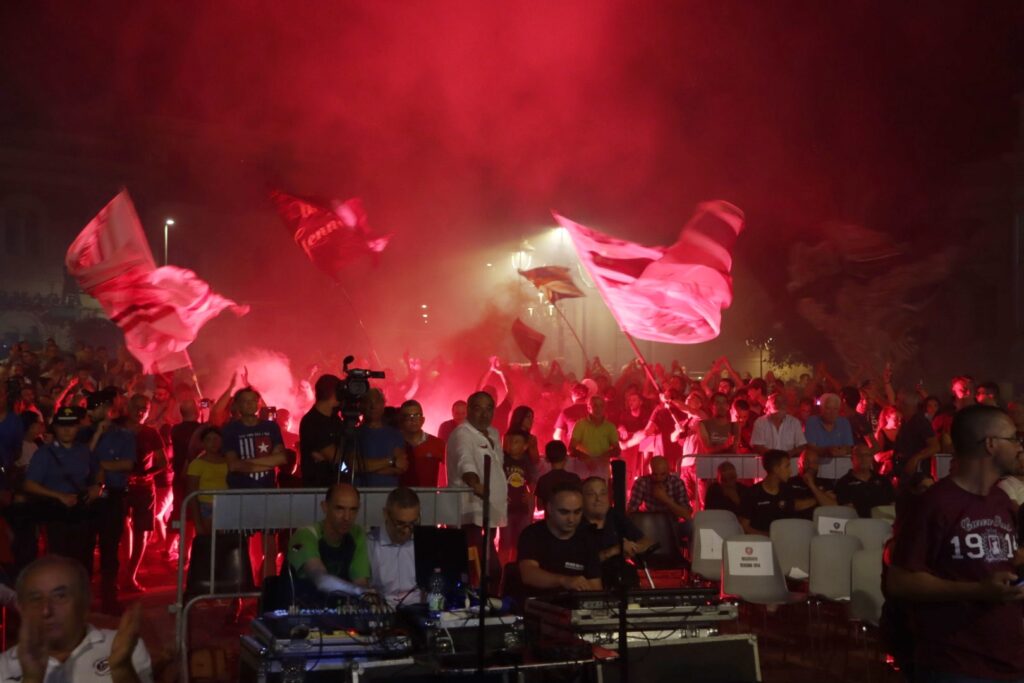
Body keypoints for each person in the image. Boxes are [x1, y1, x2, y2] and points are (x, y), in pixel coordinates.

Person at [887, 404, 1024, 683]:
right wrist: (977, 590)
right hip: (955, 662)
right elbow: (900, 581)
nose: (1020, 446)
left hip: (1008, 659)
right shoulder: (935, 504)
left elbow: (999, 560)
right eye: (1013, 438)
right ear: (990, 444)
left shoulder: (1001, 502)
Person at [0, 555, 152, 683]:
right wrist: (32, 679)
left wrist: (122, 670)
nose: (46, 610)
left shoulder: (121, 646)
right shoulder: (4, 666)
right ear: (20, 607)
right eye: (35, 599)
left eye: (60, 596)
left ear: (85, 600)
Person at [79, 389, 136, 614]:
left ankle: (109, 598)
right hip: (87, 497)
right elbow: (79, 462)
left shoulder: (124, 435)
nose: (97, 412)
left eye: (101, 407)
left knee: (109, 548)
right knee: (83, 548)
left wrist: (100, 466)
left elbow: (127, 464)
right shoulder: (83, 433)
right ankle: (83, 598)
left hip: (112, 494)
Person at [23, 407, 100, 572]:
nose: (66, 430)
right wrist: (59, 495)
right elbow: (29, 484)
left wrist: (98, 486)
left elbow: (97, 471)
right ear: (55, 428)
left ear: (77, 427)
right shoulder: (45, 453)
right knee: (60, 562)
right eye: (62, 426)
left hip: (81, 510)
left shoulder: (83, 450)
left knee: (83, 560)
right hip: (56, 513)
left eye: (71, 426)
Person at [448, 391, 507, 590]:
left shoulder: (494, 433)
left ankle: (489, 597)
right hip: (469, 509)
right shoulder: (462, 433)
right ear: (469, 410)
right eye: (478, 408)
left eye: (489, 409)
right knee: (474, 562)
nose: (484, 414)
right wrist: (475, 484)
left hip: (490, 507)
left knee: (489, 559)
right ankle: (472, 598)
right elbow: (465, 462)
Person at [517, 483, 602, 597]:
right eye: (564, 512)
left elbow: (596, 587)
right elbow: (529, 574)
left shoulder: (587, 538)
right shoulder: (533, 534)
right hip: (539, 605)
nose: (571, 519)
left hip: (575, 608)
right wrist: (564, 580)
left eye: (577, 512)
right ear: (549, 509)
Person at [119, 394, 168, 592]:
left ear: (148, 412)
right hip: (120, 486)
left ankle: (131, 575)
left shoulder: (151, 433)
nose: (140, 412)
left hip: (145, 487)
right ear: (128, 407)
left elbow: (163, 462)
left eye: (144, 409)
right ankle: (123, 572)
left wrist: (147, 475)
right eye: (137, 407)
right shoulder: (117, 429)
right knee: (122, 527)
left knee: (143, 532)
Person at [287, 483, 370, 598]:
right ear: (325, 507)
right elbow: (321, 580)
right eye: (339, 509)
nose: (347, 517)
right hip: (299, 607)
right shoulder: (305, 535)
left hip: (340, 610)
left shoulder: (356, 534)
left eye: (353, 510)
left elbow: (360, 581)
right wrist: (359, 591)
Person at [580, 477, 651, 584]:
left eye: (603, 493)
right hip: (587, 578)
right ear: (581, 499)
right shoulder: (575, 522)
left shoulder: (615, 516)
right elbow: (580, 563)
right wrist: (615, 550)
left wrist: (633, 548)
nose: (598, 499)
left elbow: (646, 541)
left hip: (619, 575)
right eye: (591, 494)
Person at [737, 449, 822, 535]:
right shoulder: (751, 494)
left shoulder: (787, 490)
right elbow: (744, 526)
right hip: (759, 543)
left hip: (785, 542)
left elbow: (796, 504)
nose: (790, 471)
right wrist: (768, 537)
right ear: (776, 469)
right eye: (787, 466)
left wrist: (818, 498)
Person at [367, 487, 420, 605]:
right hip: (382, 610)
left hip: (417, 610)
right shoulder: (369, 544)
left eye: (412, 523)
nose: (406, 530)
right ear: (386, 514)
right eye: (400, 523)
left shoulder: (422, 542)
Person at [353, 388, 407, 488]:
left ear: (383, 405)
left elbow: (401, 466)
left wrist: (368, 468)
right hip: (360, 494)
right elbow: (354, 466)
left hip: (388, 494)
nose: (373, 406)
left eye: (377, 402)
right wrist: (391, 461)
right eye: (368, 402)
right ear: (361, 406)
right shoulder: (353, 434)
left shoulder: (395, 434)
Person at [298, 374, 344, 488]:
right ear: (334, 394)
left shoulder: (335, 420)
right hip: (317, 489)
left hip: (337, 485)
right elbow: (336, 457)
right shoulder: (312, 421)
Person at [626, 456, 693, 531]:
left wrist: (666, 499)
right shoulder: (642, 482)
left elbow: (687, 515)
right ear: (650, 471)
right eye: (655, 474)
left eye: (663, 474)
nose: (658, 478)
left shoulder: (676, 482)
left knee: (691, 525)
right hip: (649, 524)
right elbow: (631, 510)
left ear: (668, 472)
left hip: (671, 524)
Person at [185, 426, 229, 536]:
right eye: (208, 439)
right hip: (207, 507)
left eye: (216, 439)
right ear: (203, 443)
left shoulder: (229, 461)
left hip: (227, 506)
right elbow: (192, 492)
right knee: (210, 541)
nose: (213, 443)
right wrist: (197, 522)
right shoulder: (197, 464)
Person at [499, 430, 535, 564]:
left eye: (516, 442)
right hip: (506, 509)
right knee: (505, 542)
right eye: (510, 442)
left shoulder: (526, 463)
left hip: (522, 508)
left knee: (519, 543)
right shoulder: (503, 460)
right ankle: (503, 569)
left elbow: (532, 481)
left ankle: (514, 570)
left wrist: (531, 494)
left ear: (524, 447)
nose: (511, 445)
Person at [834, 444, 895, 518]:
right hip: (858, 525)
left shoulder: (884, 481)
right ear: (852, 458)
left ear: (871, 458)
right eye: (859, 455)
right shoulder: (843, 483)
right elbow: (846, 509)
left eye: (867, 455)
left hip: (883, 523)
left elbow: (893, 504)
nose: (864, 458)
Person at [569, 395, 620, 478]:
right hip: (582, 470)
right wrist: (586, 459)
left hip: (602, 471)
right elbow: (571, 449)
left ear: (604, 408)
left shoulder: (610, 427)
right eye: (595, 405)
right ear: (588, 408)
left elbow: (617, 450)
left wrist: (604, 456)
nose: (598, 409)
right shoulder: (580, 425)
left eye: (601, 406)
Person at [892, 392, 939, 483]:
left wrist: (915, 459)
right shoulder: (904, 421)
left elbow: (935, 446)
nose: (896, 403)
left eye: (897, 400)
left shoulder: (920, 422)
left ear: (905, 404)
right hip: (905, 473)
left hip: (918, 476)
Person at [398, 400, 445, 487]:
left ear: (423, 420)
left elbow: (451, 470)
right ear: (401, 420)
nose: (412, 420)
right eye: (408, 416)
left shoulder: (437, 443)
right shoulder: (393, 443)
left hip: (429, 497)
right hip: (400, 497)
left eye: (417, 416)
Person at [785, 448, 837, 519]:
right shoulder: (789, 482)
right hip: (797, 524)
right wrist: (818, 499)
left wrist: (812, 486)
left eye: (815, 462)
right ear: (799, 463)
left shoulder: (826, 483)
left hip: (821, 524)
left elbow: (833, 506)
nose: (811, 466)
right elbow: (792, 506)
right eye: (807, 462)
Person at [749, 393, 806, 457]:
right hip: (767, 463)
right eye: (776, 402)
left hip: (789, 463)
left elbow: (802, 445)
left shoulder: (794, 422)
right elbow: (757, 445)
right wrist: (774, 457)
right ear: (768, 406)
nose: (780, 405)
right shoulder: (760, 422)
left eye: (783, 402)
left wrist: (788, 454)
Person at [803, 393, 854, 461]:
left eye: (835, 409)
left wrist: (843, 451)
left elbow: (849, 446)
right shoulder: (812, 421)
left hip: (841, 463)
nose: (832, 412)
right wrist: (827, 451)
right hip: (818, 464)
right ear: (821, 409)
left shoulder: (844, 422)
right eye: (828, 408)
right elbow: (810, 447)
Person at [534, 441, 581, 511]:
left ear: (547, 459)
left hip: (550, 520)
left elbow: (539, 506)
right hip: (570, 520)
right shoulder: (574, 479)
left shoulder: (543, 480)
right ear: (566, 457)